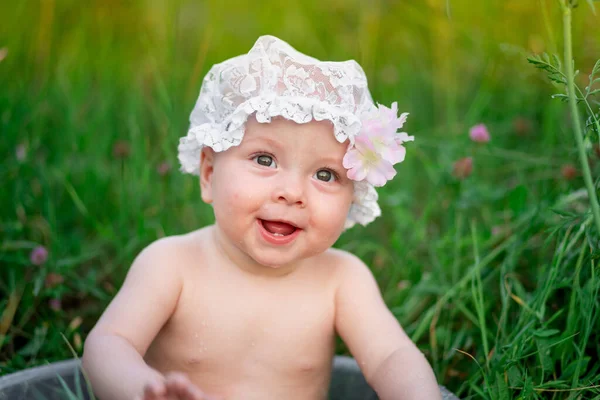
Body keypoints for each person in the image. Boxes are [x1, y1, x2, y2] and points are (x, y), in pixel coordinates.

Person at [82, 35, 442, 400]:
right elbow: (109, 344)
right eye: (265, 160)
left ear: (354, 194)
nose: (293, 192)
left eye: (325, 175)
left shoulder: (342, 280)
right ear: (208, 174)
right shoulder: (171, 265)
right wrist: (144, 390)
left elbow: (391, 357)